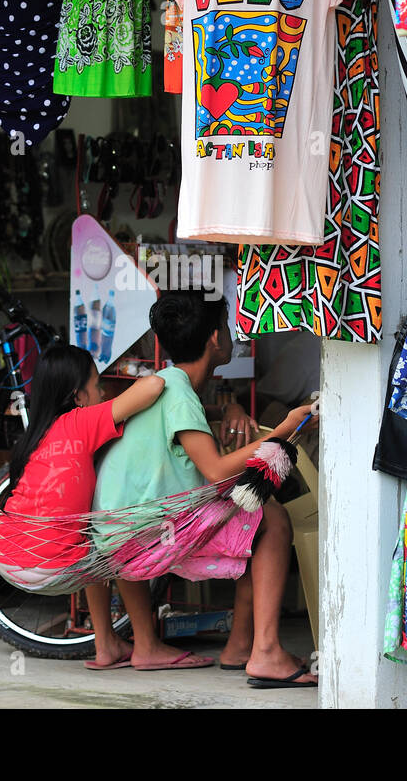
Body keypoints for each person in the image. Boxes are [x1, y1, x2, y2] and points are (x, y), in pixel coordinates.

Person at [93, 290, 318, 685]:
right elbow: (215, 471)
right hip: (143, 538)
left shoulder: (171, 382)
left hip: (123, 532)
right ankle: (264, 652)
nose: (231, 335)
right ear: (216, 338)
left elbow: (194, 424)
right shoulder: (178, 392)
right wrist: (284, 430)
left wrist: (229, 407)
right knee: (272, 518)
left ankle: (239, 648)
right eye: (228, 328)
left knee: (252, 523)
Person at [0, 345, 165, 670]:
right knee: (117, 532)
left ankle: (106, 644)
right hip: (51, 565)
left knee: (89, 532)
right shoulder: (83, 421)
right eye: (97, 385)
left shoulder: (35, 436)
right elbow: (153, 386)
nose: (103, 391)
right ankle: (147, 644)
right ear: (78, 396)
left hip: (3, 555)